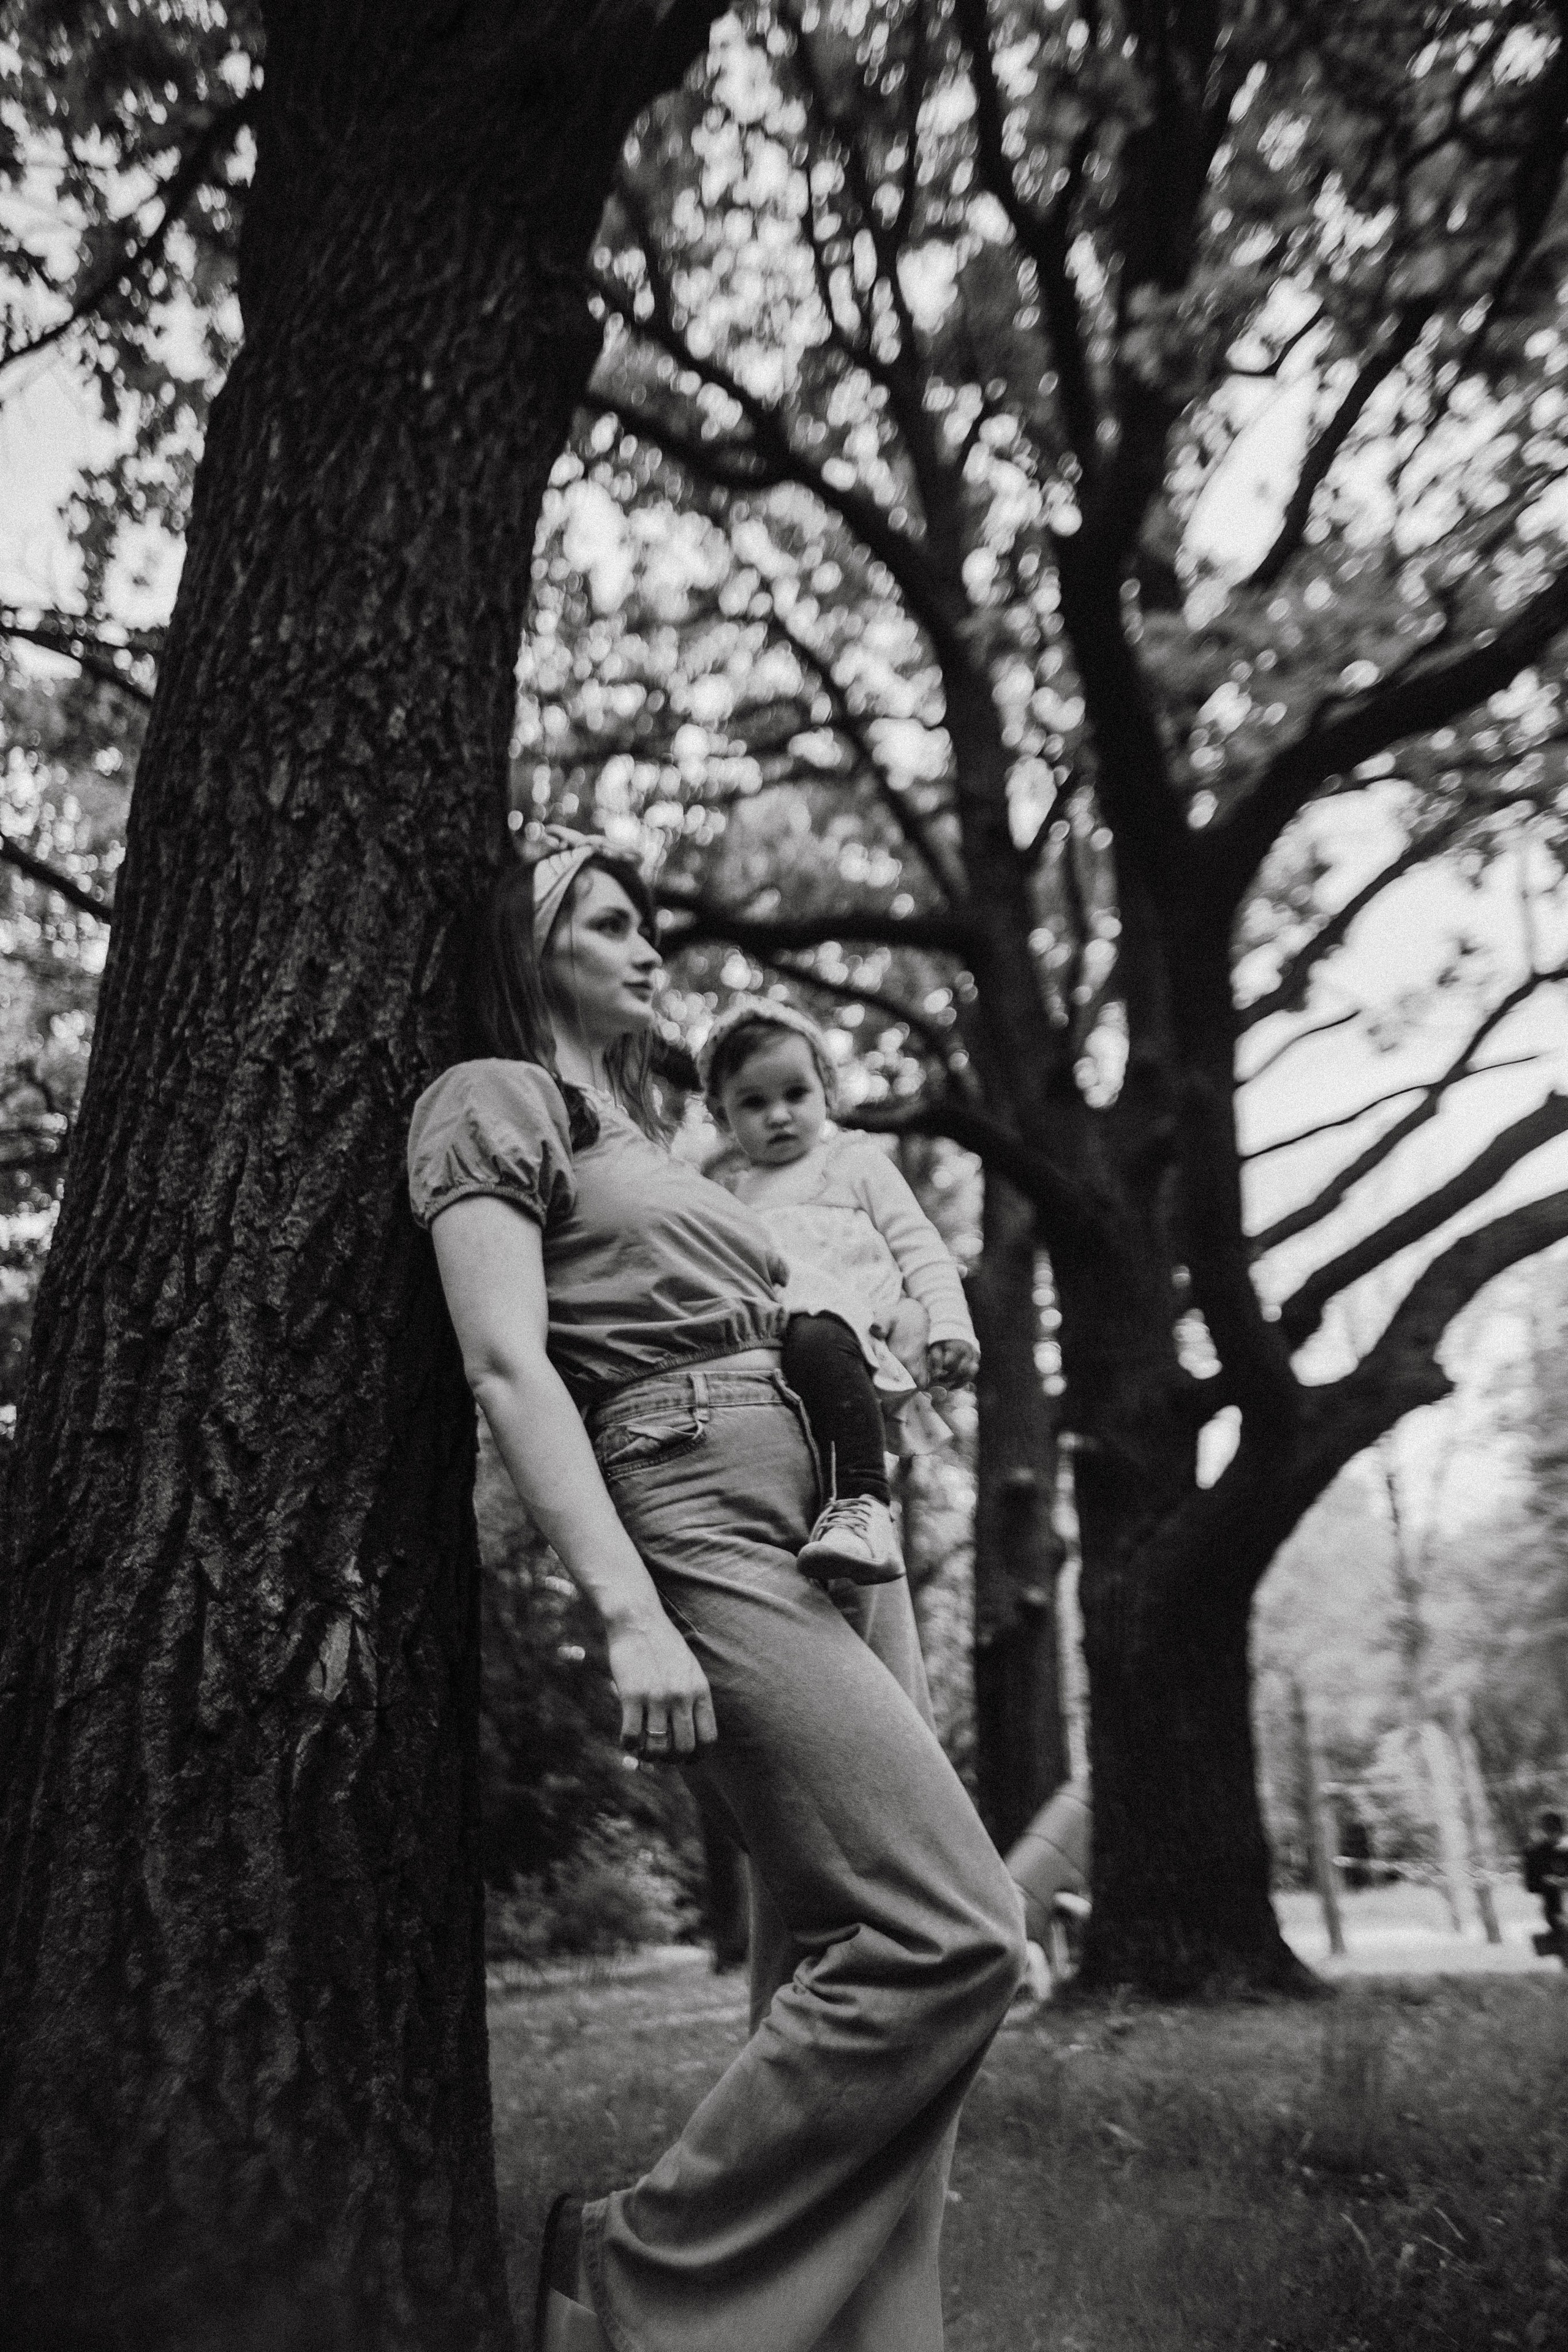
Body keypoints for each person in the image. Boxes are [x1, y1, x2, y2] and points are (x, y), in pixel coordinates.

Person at [407, 827, 1027, 2352]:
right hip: (696, 1508)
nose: (646, 947)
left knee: (851, 1940)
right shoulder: (492, 1098)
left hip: (814, 1504)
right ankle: (631, 2276)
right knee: (954, 1931)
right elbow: (506, 1364)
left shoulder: (644, 1129)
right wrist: (625, 1608)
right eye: (609, 921)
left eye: (647, 925)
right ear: (532, 934)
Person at [698, 996, 981, 1585]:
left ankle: (864, 1503)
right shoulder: (731, 1199)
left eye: (795, 1094)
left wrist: (950, 1325)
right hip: (772, 1362)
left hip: (849, 1339)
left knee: (819, 1333)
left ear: (826, 1090)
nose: (778, 1115)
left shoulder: (853, 1164)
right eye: (753, 1103)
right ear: (722, 1117)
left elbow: (920, 1247)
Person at [1524, 1808, 1568, 1960]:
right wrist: (1548, 1882)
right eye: (1550, 1830)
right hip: (1555, 1907)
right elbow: (1531, 1885)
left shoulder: (1564, 1851)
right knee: (1563, 1937)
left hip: (1559, 1906)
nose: (1553, 1835)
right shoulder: (1535, 1854)